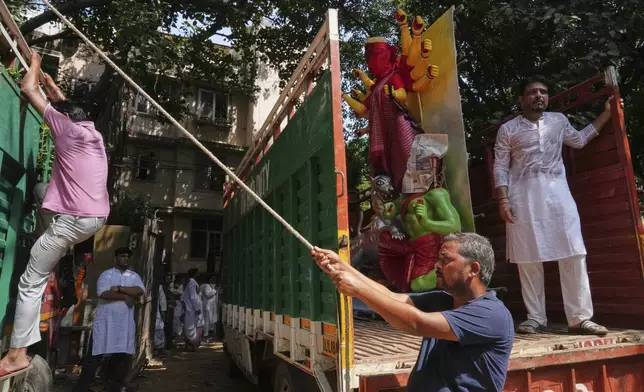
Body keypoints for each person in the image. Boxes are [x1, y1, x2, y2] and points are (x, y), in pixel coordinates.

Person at [0, 52, 110, 377]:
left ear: (63, 120)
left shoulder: (65, 131)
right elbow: (65, 108)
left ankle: (16, 354)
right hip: (95, 218)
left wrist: (35, 62)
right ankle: (48, 255)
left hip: (74, 220)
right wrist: (54, 90)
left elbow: (26, 87)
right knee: (41, 192)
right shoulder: (92, 133)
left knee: (30, 280)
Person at [493, 77, 622, 336]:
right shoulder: (508, 129)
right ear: (522, 99)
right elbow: (500, 166)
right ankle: (536, 318)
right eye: (532, 92)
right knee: (528, 257)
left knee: (573, 251)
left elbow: (581, 139)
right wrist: (503, 200)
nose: (539, 95)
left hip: (557, 194)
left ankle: (580, 318)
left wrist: (607, 114)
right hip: (522, 196)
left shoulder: (558, 121)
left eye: (543, 91)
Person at [312, 232, 513, 391]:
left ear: (473, 269)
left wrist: (358, 289)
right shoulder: (445, 300)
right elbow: (392, 297)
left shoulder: (491, 314)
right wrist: (344, 267)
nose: (436, 264)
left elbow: (417, 324)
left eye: (445, 259)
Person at [73, 247, 145, 392]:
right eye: (122, 256)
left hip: (123, 324)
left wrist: (118, 288)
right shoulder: (106, 275)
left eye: (128, 256)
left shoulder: (134, 276)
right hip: (106, 322)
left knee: (121, 356)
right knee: (95, 355)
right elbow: (103, 293)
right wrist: (125, 296)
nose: (126, 258)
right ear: (116, 258)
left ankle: (115, 387)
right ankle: (82, 388)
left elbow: (139, 290)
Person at [182, 269, 203, 351]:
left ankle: (188, 345)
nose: (198, 274)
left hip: (191, 308)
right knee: (191, 327)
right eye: (197, 273)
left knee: (191, 327)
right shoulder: (192, 282)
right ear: (194, 274)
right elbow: (193, 296)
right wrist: (197, 308)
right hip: (191, 309)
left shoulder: (192, 282)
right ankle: (192, 345)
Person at [154, 283, 167, 353]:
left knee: (159, 328)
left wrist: (163, 310)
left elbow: (162, 299)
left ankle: (159, 347)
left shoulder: (158, 286)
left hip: (156, 310)